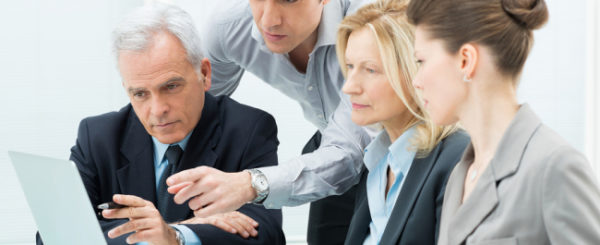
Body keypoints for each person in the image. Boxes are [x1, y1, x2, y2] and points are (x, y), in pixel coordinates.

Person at [36, 4, 285, 245]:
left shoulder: (248, 129)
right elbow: (53, 234)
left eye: (171, 86)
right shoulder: (98, 136)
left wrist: (173, 236)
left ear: (205, 74)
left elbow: (266, 235)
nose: (157, 110)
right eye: (140, 94)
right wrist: (181, 230)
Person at [166, 0, 375, 243]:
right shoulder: (229, 27)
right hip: (330, 138)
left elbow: (349, 152)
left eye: (288, 0)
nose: (268, 21)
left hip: (398, 147)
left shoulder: (369, 23)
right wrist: (185, 222)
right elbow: (193, 121)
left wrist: (249, 185)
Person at [407, 0, 600, 244]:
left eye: (421, 61)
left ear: (466, 60)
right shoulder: (460, 174)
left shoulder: (555, 167)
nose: (417, 81)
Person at [335, 1, 469, 244]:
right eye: (350, 67)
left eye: (370, 70)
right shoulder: (376, 163)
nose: (349, 87)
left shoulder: (459, 161)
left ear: (413, 72)